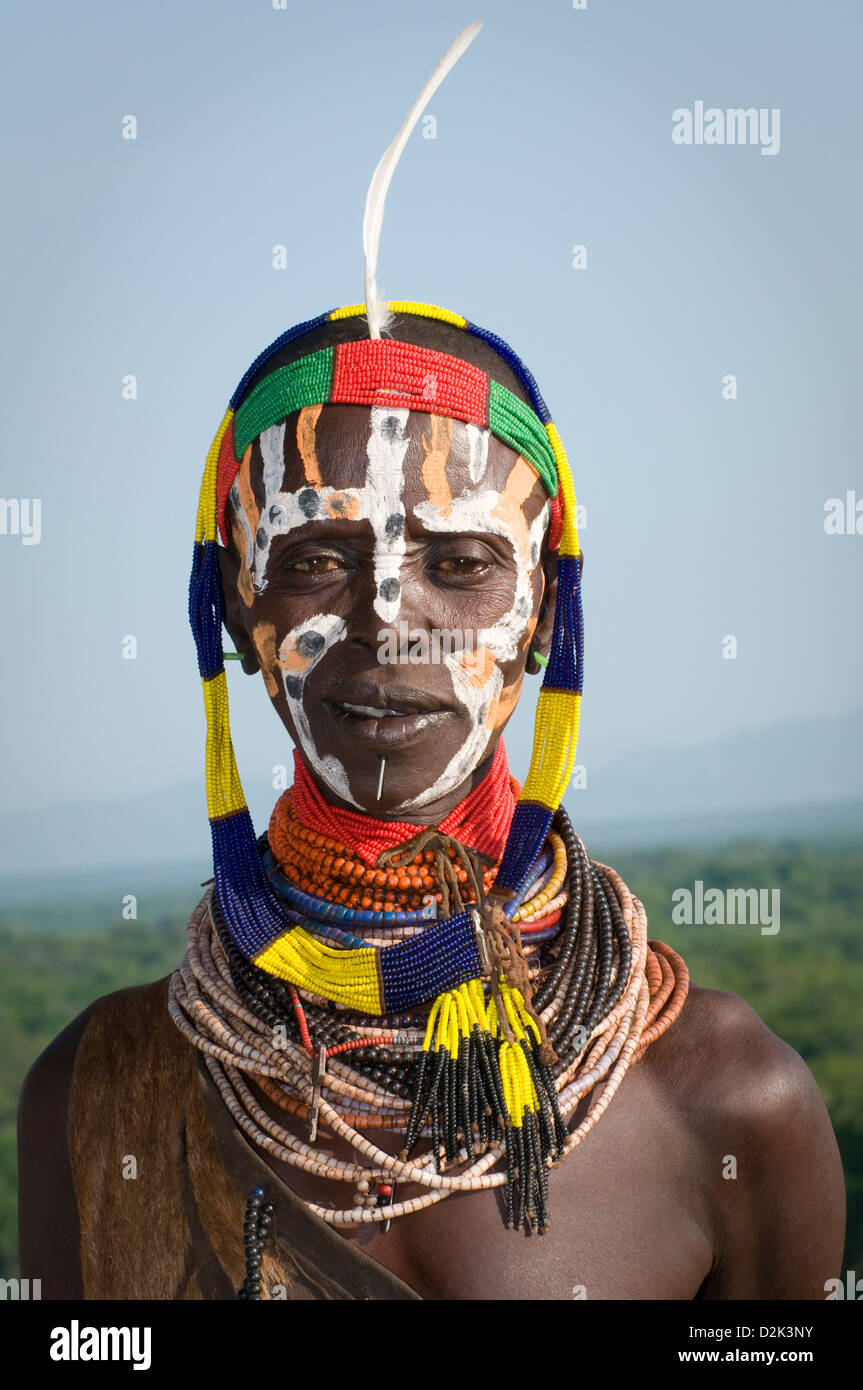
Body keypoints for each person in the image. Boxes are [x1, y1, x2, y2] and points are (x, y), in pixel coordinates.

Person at [18, 303, 846, 1300]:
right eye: (317, 558)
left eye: (458, 564)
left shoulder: (726, 1102)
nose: (387, 622)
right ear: (234, 605)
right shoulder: (101, 1095)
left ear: (542, 612)